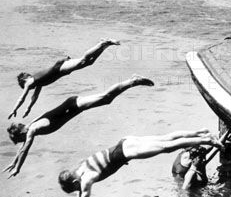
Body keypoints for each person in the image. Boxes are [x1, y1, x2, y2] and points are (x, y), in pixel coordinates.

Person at [58, 129, 223, 197]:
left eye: (74, 188)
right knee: (166, 138)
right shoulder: (80, 170)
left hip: (126, 152)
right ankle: (201, 132)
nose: (78, 191)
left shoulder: (85, 180)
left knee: (166, 146)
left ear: (74, 182)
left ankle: (207, 140)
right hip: (124, 142)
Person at [3, 75, 154, 177]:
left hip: (73, 105)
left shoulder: (33, 129)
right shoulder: (31, 126)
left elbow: (25, 149)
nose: (23, 141)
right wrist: (14, 161)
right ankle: (132, 81)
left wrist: (17, 167)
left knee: (106, 97)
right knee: (106, 99)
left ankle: (133, 81)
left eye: (20, 139)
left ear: (21, 133)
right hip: (73, 105)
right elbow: (22, 148)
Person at [8, 38, 120, 119]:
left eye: (23, 86)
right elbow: (34, 97)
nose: (28, 88)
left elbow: (22, 98)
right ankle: (105, 45)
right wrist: (29, 108)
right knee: (89, 63)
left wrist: (15, 109)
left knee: (83, 60)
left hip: (59, 67)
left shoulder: (29, 82)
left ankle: (101, 43)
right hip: (62, 70)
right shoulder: (38, 84)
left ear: (23, 80)